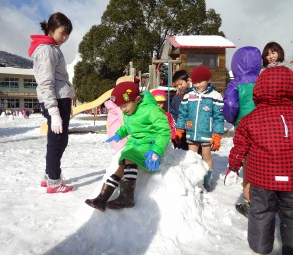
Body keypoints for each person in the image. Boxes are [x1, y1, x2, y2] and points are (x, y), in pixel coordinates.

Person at [226, 66, 293, 255]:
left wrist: (233, 167)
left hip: (263, 179)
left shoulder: (250, 119)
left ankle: (260, 248)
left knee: (261, 212)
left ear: (260, 89)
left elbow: (240, 147)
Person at [85, 81, 171, 211]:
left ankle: (127, 197)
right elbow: (128, 126)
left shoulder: (151, 110)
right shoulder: (129, 111)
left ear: (137, 99)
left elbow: (164, 130)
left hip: (149, 143)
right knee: (121, 167)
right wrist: (119, 134)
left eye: (124, 105)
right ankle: (102, 198)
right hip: (135, 142)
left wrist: (157, 150)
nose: (123, 110)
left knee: (129, 157)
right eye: (120, 107)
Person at [28, 12, 74, 193]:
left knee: (56, 141)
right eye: (63, 33)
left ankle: (49, 175)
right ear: (52, 29)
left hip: (60, 99)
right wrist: (54, 112)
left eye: (68, 34)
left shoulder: (51, 47)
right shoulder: (47, 50)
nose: (65, 37)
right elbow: (46, 83)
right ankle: (54, 181)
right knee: (58, 142)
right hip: (56, 100)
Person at [223, 46, 262, 217]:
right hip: (265, 126)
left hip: (244, 127)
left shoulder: (236, 83)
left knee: (248, 164)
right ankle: (266, 198)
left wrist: (232, 119)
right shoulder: (263, 80)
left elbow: (231, 105)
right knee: (262, 162)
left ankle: (250, 203)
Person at [175, 66, 224, 191]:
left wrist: (217, 135)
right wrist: (180, 129)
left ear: (208, 80)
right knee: (192, 157)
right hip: (191, 132)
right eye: (195, 82)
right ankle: (194, 180)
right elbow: (182, 114)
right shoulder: (188, 95)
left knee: (206, 157)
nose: (197, 85)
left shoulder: (215, 96)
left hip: (206, 133)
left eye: (200, 82)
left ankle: (206, 181)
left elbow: (218, 117)